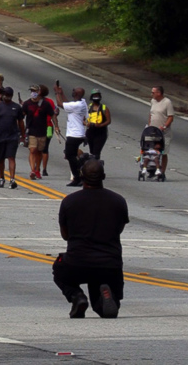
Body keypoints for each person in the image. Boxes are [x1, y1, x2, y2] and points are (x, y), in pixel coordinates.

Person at [53, 159, 128, 318]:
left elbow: (65, 235)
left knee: (58, 268)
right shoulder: (118, 201)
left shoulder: (69, 202)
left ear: (81, 176)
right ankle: (106, 294)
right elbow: (118, 230)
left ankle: (77, 296)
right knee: (104, 309)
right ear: (104, 176)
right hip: (109, 264)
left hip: (77, 262)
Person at [0, 86, 26, 189]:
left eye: (8, 95)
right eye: (5, 95)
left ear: (11, 96)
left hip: (12, 136)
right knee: (1, 158)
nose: (6, 97)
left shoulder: (16, 107)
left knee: (11, 157)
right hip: (0, 136)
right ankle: (2, 178)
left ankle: (12, 179)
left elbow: (21, 122)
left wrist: (22, 135)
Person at [52, 83, 88, 187]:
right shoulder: (82, 102)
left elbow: (60, 104)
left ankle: (79, 176)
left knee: (70, 156)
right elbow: (67, 103)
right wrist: (62, 93)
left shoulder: (77, 105)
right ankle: (78, 176)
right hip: (77, 133)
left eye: (73, 90)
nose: (71, 91)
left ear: (76, 93)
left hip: (74, 134)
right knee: (71, 155)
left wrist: (57, 92)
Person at [22, 85, 54, 180]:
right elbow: (22, 115)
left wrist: (56, 126)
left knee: (39, 151)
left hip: (42, 131)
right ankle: (32, 170)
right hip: (31, 131)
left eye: (35, 91)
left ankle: (37, 169)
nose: (33, 93)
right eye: (31, 91)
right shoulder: (27, 103)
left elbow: (52, 115)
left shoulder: (46, 104)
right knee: (33, 150)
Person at [148, 86, 175, 177]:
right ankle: (152, 169)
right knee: (152, 150)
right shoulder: (153, 101)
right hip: (153, 130)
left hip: (164, 132)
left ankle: (162, 172)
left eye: (153, 92)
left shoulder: (167, 102)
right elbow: (151, 114)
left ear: (159, 93)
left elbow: (170, 117)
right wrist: (149, 125)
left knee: (163, 152)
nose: (151, 94)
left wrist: (164, 126)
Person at [85, 89, 111, 159]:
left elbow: (108, 121)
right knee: (92, 150)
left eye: (97, 95)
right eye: (95, 95)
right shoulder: (88, 107)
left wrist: (100, 125)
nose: (96, 97)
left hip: (100, 133)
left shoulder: (104, 108)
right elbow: (83, 119)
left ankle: (96, 164)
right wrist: (86, 124)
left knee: (96, 152)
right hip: (90, 132)